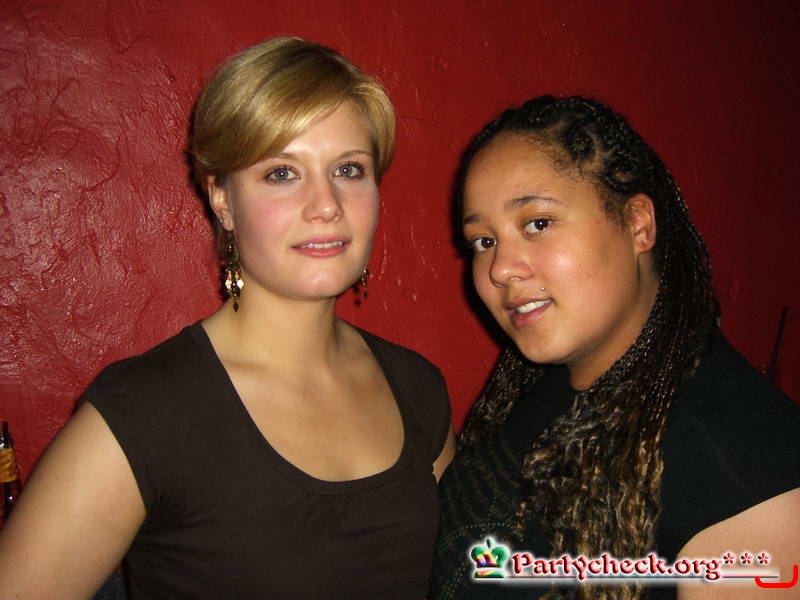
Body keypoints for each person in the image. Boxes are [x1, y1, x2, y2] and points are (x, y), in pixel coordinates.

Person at [0, 37, 455, 599]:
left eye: (348, 169)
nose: (326, 206)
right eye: (282, 173)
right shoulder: (146, 413)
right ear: (222, 199)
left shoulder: (418, 388)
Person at [430, 95, 799, 600]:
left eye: (538, 223)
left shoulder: (742, 468)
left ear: (638, 223)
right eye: (483, 241)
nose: (500, 269)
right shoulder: (545, 381)